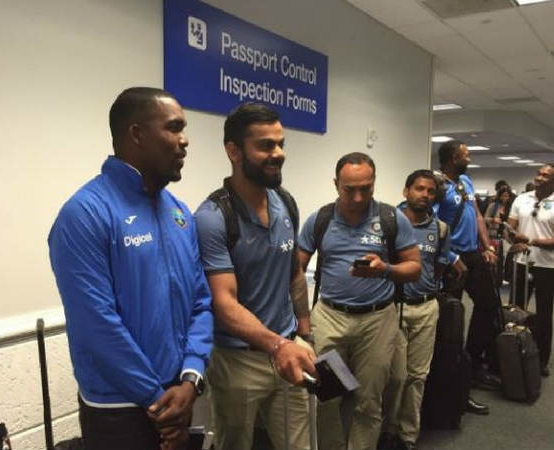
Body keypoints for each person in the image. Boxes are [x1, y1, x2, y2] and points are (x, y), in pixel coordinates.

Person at [48, 87, 213, 450]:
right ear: (137, 134)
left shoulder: (179, 213)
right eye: (174, 127)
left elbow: (201, 302)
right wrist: (158, 400)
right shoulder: (85, 214)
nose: (185, 141)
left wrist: (191, 379)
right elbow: (96, 325)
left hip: (179, 396)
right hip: (119, 411)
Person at [194, 103, 316, 450]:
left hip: (288, 350)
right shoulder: (213, 217)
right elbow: (223, 303)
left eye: (280, 144)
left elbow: (294, 273)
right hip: (238, 361)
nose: (278, 153)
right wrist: (277, 344)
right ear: (233, 151)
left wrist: (304, 333)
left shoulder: (285, 202)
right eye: (265, 145)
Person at [298, 152, 421, 450]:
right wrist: (300, 322)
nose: (357, 197)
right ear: (336, 184)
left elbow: (415, 267)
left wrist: (385, 269)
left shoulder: (392, 219)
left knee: (369, 400)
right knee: (327, 396)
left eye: (365, 189)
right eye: (349, 189)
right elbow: (295, 270)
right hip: (330, 317)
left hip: (377, 320)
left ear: (374, 183)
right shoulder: (321, 219)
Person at [379, 170, 457, 450]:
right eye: (419, 189)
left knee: (417, 377)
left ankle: (407, 435)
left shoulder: (441, 229)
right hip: (393, 308)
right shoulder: (387, 223)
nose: (425, 195)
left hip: (425, 308)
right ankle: (386, 430)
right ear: (406, 191)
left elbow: (439, 267)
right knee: (394, 376)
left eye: (430, 191)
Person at [435, 140, 501, 405]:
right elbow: (432, 225)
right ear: (454, 157)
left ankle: (471, 362)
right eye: (466, 155)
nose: (470, 159)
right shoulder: (438, 185)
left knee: (488, 306)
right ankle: (455, 380)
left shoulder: (465, 182)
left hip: (473, 255)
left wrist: (488, 247)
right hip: (452, 260)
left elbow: (477, 216)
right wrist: (449, 257)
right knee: (453, 318)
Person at [507, 163, 554, 377]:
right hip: (521, 261)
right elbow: (510, 228)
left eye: (546, 175)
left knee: (544, 313)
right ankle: (513, 353)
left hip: (547, 266)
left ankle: (541, 359)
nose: (540, 177)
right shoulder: (521, 199)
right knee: (516, 309)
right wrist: (513, 239)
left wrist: (531, 241)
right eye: (539, 173)